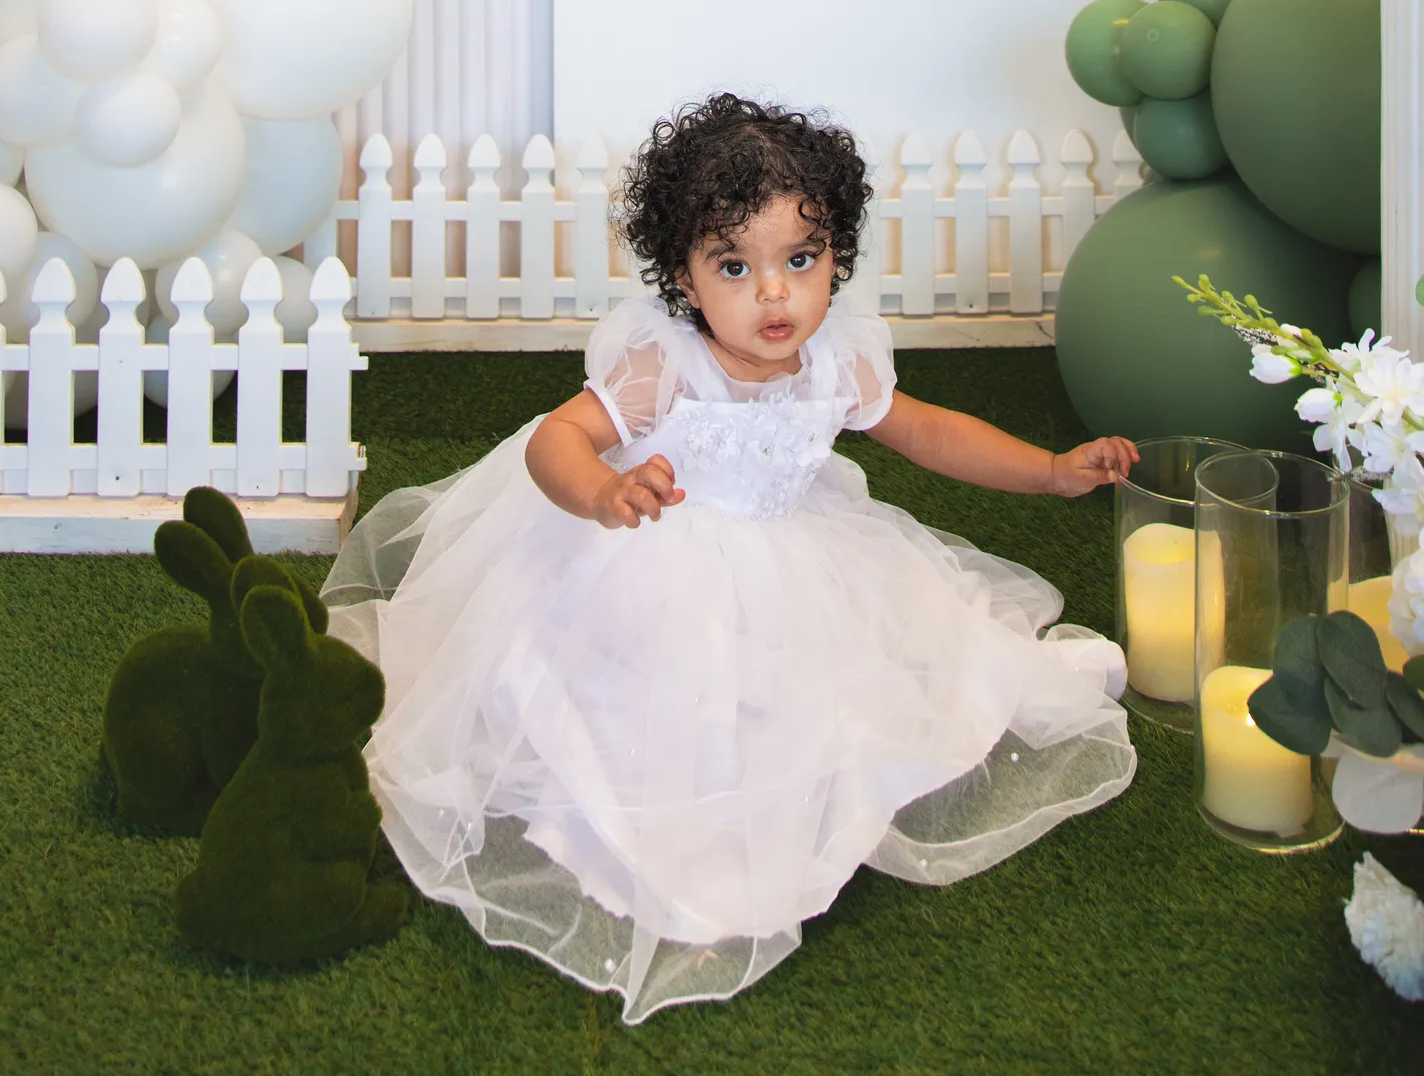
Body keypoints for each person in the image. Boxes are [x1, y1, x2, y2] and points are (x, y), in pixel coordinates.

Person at [323, 94, 1139, 1024]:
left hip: (798, 557)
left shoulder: (836, 362)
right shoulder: (665, 366)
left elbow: (930, 432)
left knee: (870, 679)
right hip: (654, 559)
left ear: (836, 255)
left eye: (802, 259)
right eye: (736, 267)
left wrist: (1049, 471)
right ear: (686, 275)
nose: (775, 295)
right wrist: (601, 491)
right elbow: (556, 439)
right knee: (663, 711)